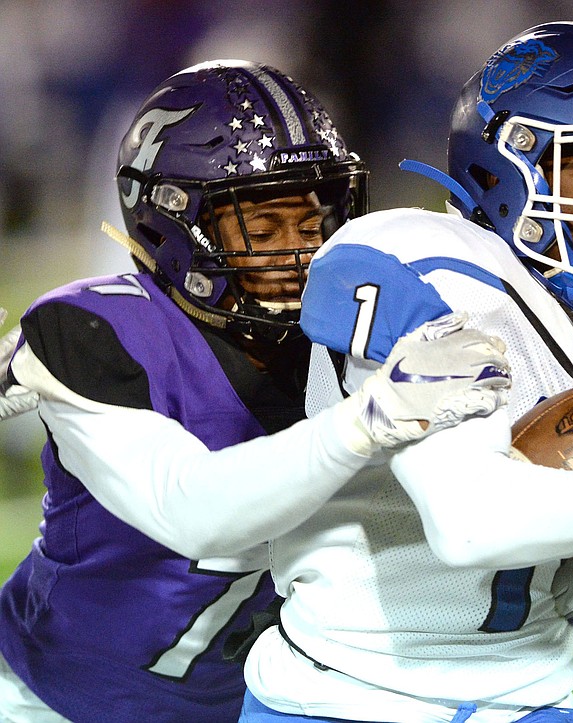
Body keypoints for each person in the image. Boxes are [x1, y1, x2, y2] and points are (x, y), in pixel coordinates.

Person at [238, 22, 573, 722]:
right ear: (506, 163)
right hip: (341, 694)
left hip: (531, 701)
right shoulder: (416, 270)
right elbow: (470, 525)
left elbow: (567, 568)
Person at [0, 61, 510, 722]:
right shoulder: (101, 336)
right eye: (263, 230)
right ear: (172, 223)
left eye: (315, 220)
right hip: (55, 697)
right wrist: (369, 420)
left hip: (256, 702)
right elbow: (192, 511)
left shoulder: (352, 338)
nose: (301, 255)